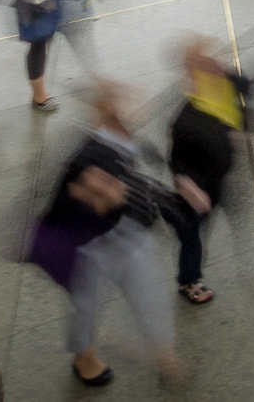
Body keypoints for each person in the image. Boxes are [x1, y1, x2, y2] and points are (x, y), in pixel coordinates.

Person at [27, 82, 179, 388]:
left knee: (147, 290)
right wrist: (102, 196)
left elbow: (134, 182)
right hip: (90, 245)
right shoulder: (90, 155)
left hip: (127, 233)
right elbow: (89, 191)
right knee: (87, 303)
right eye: (124, 102)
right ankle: (83, 356)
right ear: (108, 113)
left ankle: (162, 351)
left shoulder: (124, 142)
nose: (137, 106)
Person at [161, 37, 239, 306]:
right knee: (192, 237)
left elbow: (227, 124)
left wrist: (238, 138)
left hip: (215, 182)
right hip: (196, 190)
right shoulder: (185, 119)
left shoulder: (217, 95)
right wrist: (190, 189)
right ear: (191, 72)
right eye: (206, 64)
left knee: (201, 228)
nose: (216, 66)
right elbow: (176, 162)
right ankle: (189, 280)